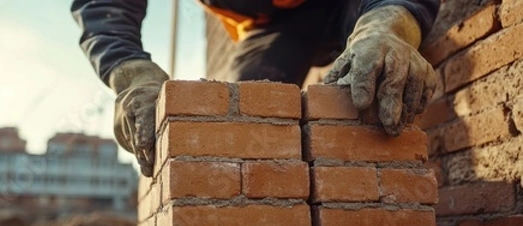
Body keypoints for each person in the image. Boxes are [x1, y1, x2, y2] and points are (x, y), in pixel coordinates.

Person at [71, 0, 440, 177]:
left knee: (378, 63)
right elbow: (105, 7)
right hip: (269, 24)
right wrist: (130, 74)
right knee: (244, 131)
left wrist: (392, 25)